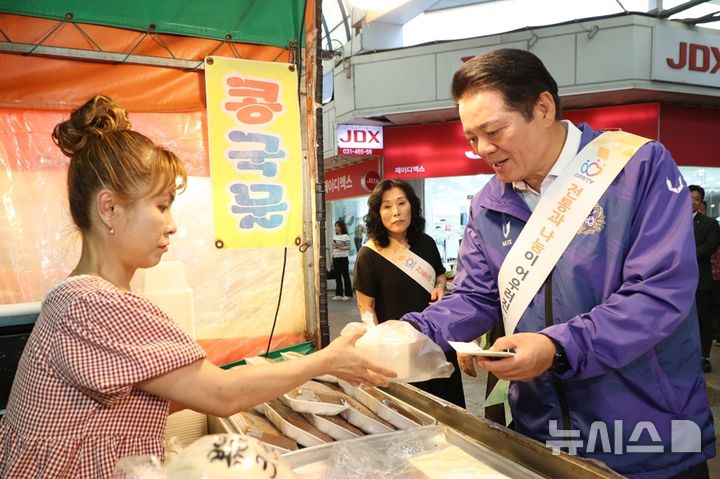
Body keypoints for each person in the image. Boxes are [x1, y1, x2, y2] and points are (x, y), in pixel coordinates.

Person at [0, 95, 395, 479]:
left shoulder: (74, 295)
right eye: (160, 205)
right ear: (110, 208)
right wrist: (325, 360)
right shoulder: (97, 303)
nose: (171, 224)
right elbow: (221, 395)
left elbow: (160, 392)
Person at [401, 49, 714, 478]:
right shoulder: (488, 203)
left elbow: (658, 293)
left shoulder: (636, 167)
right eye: (472, 138)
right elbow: (474, 296)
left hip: (649, 431)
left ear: (543, 107)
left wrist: (558, 348)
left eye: (493, 130)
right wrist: (409, 332)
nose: (482, 150)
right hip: (541, 431)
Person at [353, 179, 465, 407]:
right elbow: (366, 309)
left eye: (401, 203)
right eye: (387, 206)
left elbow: (440, 275)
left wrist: (440, 286)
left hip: (435, 341)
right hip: (398, 351)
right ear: (378, 213)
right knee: (411, 412)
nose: (396, 212)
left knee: (446, 408)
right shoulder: (369, 254)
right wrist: (377, 347)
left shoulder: (427, 243)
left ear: (411, 206)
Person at [689, 186, 720, 373]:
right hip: (674, 281)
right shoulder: (672, 221)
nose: (693, 201)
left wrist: (685, 254)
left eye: (697, 199)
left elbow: (710, 245)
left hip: (700, 280)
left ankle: (704, 356)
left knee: (703, 319)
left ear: (701, 202)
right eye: (690, 198)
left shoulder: (709, 223)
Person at [332, 220, 353, 300]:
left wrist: (340, 247)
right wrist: (332, 257)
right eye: (335, 226)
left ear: (341, 227)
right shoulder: (334, 236)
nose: (336, 228)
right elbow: (333, 248)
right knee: (337, 276)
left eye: (338, 226)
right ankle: (339, 294)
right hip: (336, 258)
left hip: (343, 258)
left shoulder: (345, 236)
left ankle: (348, 295)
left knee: (345, 276)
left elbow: (348, 247)